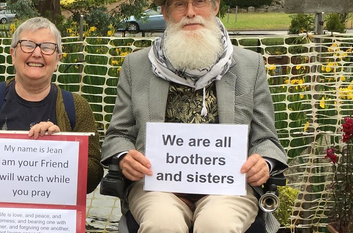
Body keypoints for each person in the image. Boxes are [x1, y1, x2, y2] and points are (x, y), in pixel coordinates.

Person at [101, 0, 288, 232]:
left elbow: (266, 139)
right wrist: (123, 156)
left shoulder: (249, 65)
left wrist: (264, 162)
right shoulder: (137, 66)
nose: (190, 13)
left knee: (217, 225)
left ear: (215, 6)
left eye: (199, 2)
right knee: (162, 224)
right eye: (180, 4)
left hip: (227, 188)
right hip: (156, 187)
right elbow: (118, 134)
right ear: (166, 12)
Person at [0, 17, 103, 232]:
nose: (36, 53)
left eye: (47, 47)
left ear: (58, 58)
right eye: (28, 45)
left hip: (51, 216)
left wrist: (63, 147)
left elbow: (92, 178)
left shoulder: (77, 107)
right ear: (13, 53)